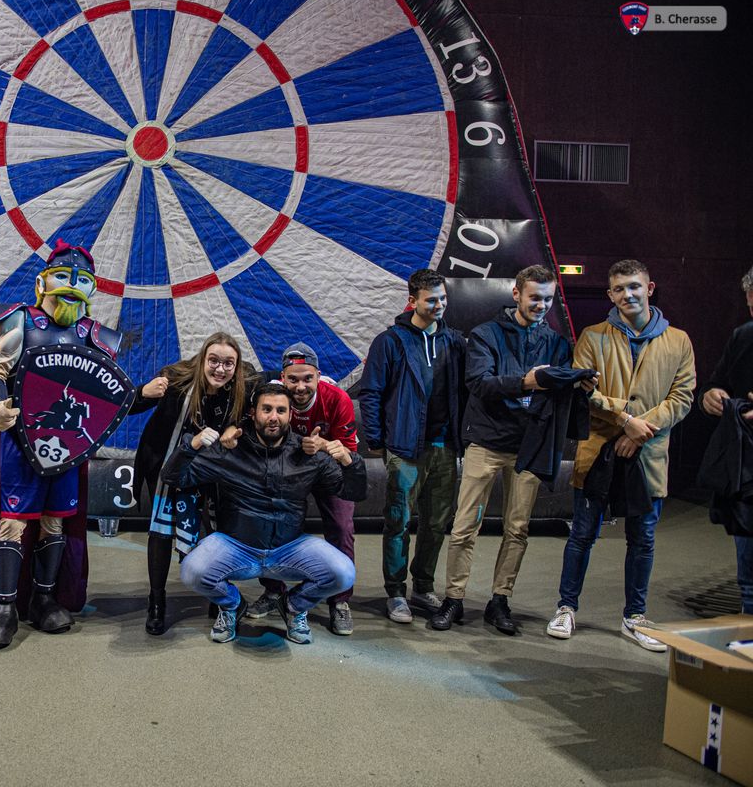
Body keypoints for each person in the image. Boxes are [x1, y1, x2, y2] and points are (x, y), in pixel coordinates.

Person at [0, 240, 126, 649]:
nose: (72, 287)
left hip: (68, 445)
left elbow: (108, 393)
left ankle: (43, 597)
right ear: (43, 282)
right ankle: (5, 608)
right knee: (13, 519)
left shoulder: (96, 335)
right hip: (22, 441)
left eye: (82, 281)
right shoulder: (19, 321)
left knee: (54, 520)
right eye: (63, 277)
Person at [431, 266, 596, 634]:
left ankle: (499, 600)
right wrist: (528, 381)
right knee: (463, 528)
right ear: (516, 294)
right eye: (534, 297)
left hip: (529, 447)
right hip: (486, 443)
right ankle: (453, 599)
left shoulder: (556, 343)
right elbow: (479, 383)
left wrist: (579, 385)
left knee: (517, 529)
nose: (541, 304)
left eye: (548, 299)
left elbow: (563, 388)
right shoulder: (485, 334)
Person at [546, 259, 695, 651]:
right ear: (610, 295)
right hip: (598, 451)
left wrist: (641, 430)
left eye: (634, 286)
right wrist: (625, 418)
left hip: (647, 454)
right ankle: (566, 607)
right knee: (582, 534)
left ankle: (635, 617)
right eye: (619, 289)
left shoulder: (678, 341)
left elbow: (682, 398)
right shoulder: (593, 337)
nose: (627, 294)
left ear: (650, 288)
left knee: (642, 539)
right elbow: (582, 389)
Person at [164, 382, 365, 644]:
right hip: (237, 547)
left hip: (289, 549)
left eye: (281, 410)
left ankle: (293, 606)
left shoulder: (308, 453)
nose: (273, 417)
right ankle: (233, 605)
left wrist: (350, 461)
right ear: (253, 413)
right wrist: (191, 444)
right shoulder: (230, 450)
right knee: (192, 571)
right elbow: (174, 477)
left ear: (290, 415)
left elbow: (354, 493)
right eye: (266, 409)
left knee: (344, 572)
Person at [129, 332, 256, 635]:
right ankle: (156, 601)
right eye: (214, 361)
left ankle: (217, 592)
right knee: (160, 532)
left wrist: (237, 427)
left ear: (237, 367)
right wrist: (144, 392)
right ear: (202, 360)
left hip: (212, 471)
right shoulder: (175, 379)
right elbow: (127, 405)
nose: (220, 369)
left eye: (228, 363)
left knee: (218, 531)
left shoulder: (245, 386)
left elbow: (272, 393)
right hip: (166, 465)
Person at [359, 269, 466, 624]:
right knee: (398, 522)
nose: (439, 305)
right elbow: (371, 393)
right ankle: (395, 592)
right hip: (405, 449)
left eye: (443, 298)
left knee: (436, 524)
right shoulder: (389, 342)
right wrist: (376, 440)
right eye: (431, 299)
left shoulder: (455, 341)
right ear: (413, 301)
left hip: (446, 447)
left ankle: (422, 586)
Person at [245, 343, 360, 635]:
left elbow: (349, 455)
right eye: (293, 379)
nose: (300, 386)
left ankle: (340, 601)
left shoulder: (338, 399)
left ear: (318, 376)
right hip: (289, 468)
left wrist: (322, 447)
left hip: (328, 469)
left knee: (343, 527)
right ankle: (274, 592)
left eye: (307, 378)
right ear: (282, 377)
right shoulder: (270, 396)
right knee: (269, 522)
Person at [698, 264, 753, 614]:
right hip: (747, 469)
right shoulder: (743, 337)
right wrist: (711, 396)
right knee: (749, 578)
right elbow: (715, 385)